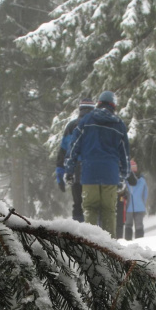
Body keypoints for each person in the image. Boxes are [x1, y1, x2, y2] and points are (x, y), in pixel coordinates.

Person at [64, 91, 131, 238]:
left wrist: (69, 170)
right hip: (110, 175)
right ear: (113, 105)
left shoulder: (86, 121)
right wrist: (123, 176)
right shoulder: (118, 124)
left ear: (99, 103)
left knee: (90, 209)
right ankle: (110, 250)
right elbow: (124, 154)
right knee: (108, 211)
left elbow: (74, 145)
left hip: (89, 173)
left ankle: (92, 247)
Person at [55, 97, 95, 222]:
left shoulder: (72, 126)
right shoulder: (98, 125)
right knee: (94, 205)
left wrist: (60, 174)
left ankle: (79, 234)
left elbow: (63, 151)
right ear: (93, 109)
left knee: (78, 205)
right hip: (95, 170)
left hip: (76, 170)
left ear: (80, 109)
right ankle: (96, 233)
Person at [124, 159, 148, 240]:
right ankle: (140, 241)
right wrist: (144, 204)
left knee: (128, 225)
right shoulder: (142, 180)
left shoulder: (126, 181)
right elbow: (145, 194)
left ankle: (128, 242)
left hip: (128, 207)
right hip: (140, 206)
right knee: (139, 225)